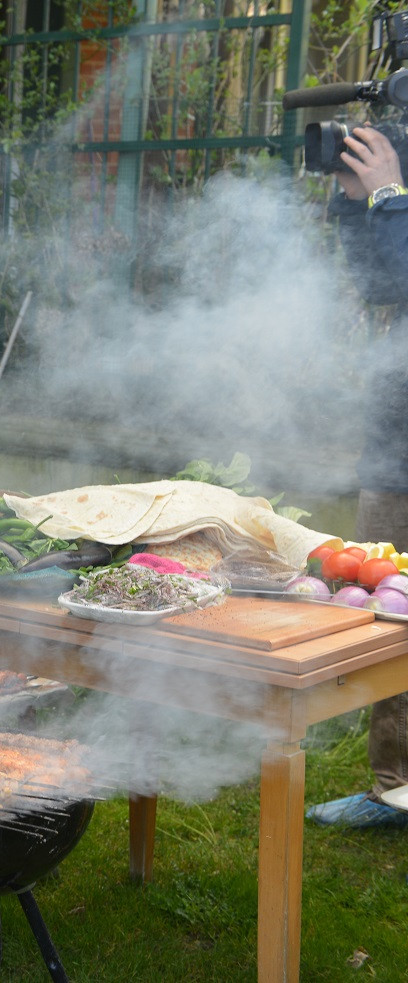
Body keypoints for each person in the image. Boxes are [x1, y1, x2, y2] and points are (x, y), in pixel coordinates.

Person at [308, 125, 408, 829]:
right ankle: (397, 788)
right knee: (390, 621)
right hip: (395, 451)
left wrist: (391, 197)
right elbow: (385, 285)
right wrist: (355, 206)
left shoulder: (397, 197)